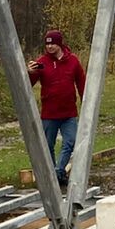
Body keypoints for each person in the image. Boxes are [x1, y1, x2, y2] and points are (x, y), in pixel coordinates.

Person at [28, 29, 86, 185]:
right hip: (49, 113)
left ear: (59, 44)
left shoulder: (73, 61)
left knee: (71, 141)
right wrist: (30, 73)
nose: (50, 47)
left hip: (68, 112)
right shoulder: (42, 62)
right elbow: (29, 84)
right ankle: (53, 175)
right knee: (48, 145)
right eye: (47, 44)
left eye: (53, 43)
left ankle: (59, 171)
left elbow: (81, 83)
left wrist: (85, 101)